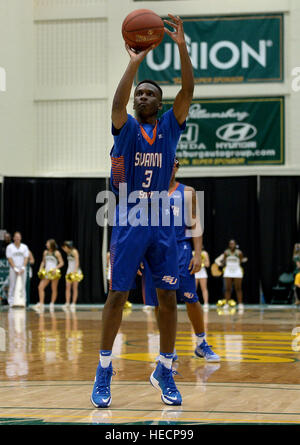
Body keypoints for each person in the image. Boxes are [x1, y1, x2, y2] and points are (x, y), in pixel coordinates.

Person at [91, 14, 194, 408]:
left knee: (168, 298)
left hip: (163, 221)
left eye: (149, 94)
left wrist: (181, 46)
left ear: (161, 103)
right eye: (140, 94)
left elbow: (188, 88)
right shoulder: (127, 128)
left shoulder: (170, 126)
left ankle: (165, 367)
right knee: (117, 296)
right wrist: (134, 62)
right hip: (129, 217)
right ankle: (104, 369)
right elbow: (117, 104)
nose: (142, 97)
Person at [142, 159, 220, 363]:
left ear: (176, 168)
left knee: (190, 298)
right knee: (159, 301)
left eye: (173, 165)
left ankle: (202, 343)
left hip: (180, 249)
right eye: (167, 164)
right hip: (154, 250)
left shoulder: (187, 192)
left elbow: (195, 223)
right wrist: (140, 253)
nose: (170, 168)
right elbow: (142, 224)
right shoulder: (148, 192)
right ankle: (168, 347)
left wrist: (197, 253)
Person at [34, 239, 64, 313]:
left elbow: (62, 263)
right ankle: (41, 304)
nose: (46, 244)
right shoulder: (45, 252)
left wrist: (55, 268)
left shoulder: (56, 253)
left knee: (53, 288)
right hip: (47, 273)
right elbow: (43, 262)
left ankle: (52, 304)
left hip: (54, 273)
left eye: (47, 243)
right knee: (40, 287)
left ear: (51, 244)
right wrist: (40, 269)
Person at [6, 232, 29, 307]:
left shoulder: (24, 247)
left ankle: (23, 301)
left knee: (23, 285)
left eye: (18, 237)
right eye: (16, 237)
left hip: (22, 269)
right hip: (13, 269)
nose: (17, 238)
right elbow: (9, 258)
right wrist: (15, 268)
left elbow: (26, 257)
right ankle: (11, 302)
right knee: (12, 285)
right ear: (13, 238)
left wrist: (23, 267)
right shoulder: (9, 247)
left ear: (21, 238)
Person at [222, 240, 244, 312]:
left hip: (237, 271)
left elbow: (241, 261)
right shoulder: (226, 252)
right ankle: (227, 304)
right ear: (229, 245)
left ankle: (240, 304)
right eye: (230, 244)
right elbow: (224, 262)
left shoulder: (239, 253)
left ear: (235, 244)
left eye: (233, 244)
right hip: (228, 271)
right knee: (227, 288)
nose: (232, 245)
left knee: (238, 288)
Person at [61, 241, 82, 311]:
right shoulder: (68, 252)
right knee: (67, 287)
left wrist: (75, 272)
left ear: (68, 246)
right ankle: (67, 303)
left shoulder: (74, 251)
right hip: (69, 271)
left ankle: (73, 303)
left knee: (74, 288)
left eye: (65, 247)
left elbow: (77, 262)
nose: (64, 249)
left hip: (75, 271)